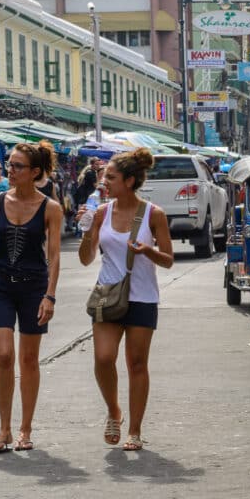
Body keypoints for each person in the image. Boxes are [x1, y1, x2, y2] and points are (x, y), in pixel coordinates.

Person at [0, 141, 63, 452]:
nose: (10, 169)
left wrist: (50, 296)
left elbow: (56, 256)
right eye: (10, 164)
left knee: (29, 359)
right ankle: (4, 428)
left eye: (17, 166)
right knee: (4, 355)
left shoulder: (51, 208)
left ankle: (25, 429)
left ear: (35, 172)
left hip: (34, 287)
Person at [77, 148, 174, 451]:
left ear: (130, 181)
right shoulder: (102, 213)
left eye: (112, 177)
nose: (105, 182)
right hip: (108, 294)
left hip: (142, 297)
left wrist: (148, 251)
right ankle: (113, 410)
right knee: (104, 359)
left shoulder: (153, 214)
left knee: (136, 364)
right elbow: (85, 259)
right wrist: (85, 231)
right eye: (104, 177)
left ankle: (134, 430)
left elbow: (168, 259)